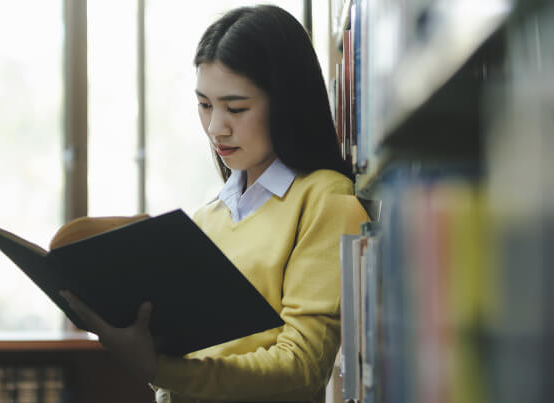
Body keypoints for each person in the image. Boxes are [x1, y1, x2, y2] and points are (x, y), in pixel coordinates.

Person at [58, 5, 369, 402]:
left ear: (286, 103)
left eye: (235, 108)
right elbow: (186, 369)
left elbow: (303, 364)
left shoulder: (325, 200)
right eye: (205, 105)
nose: (215, 128)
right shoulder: (208, 218)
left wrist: (157, 367)